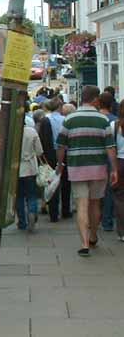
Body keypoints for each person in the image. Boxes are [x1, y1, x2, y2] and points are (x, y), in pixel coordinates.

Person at [56, 85, 118, 257]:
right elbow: (110, 147)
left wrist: (60, 164)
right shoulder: (102, 120)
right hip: (98, 167)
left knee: (81, 204)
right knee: (95, 203)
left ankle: (84, 244)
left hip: (77, 167)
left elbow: (61, 145)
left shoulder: (69, 119)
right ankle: (93, 235)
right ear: (95, 99)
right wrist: (114, 169)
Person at [17, 116, 44, 231]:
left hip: (16, 169)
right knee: (31, 194)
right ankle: (32, 212)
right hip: (30, 168)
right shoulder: (31, 131)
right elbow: (39, 151)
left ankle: (22, 222)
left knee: (19, 197)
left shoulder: (11, 133)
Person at [99, 91, 117, 232]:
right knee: (109, 191)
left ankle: (96, 218)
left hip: (96, 158)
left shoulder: (95, 118)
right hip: (110, 158)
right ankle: (107, 221)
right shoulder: (114, 121)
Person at [111, 101, 124, 242]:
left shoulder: (114, 125)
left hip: (120, 163)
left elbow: (110, 147)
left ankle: (122, 231)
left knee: (120, 198)